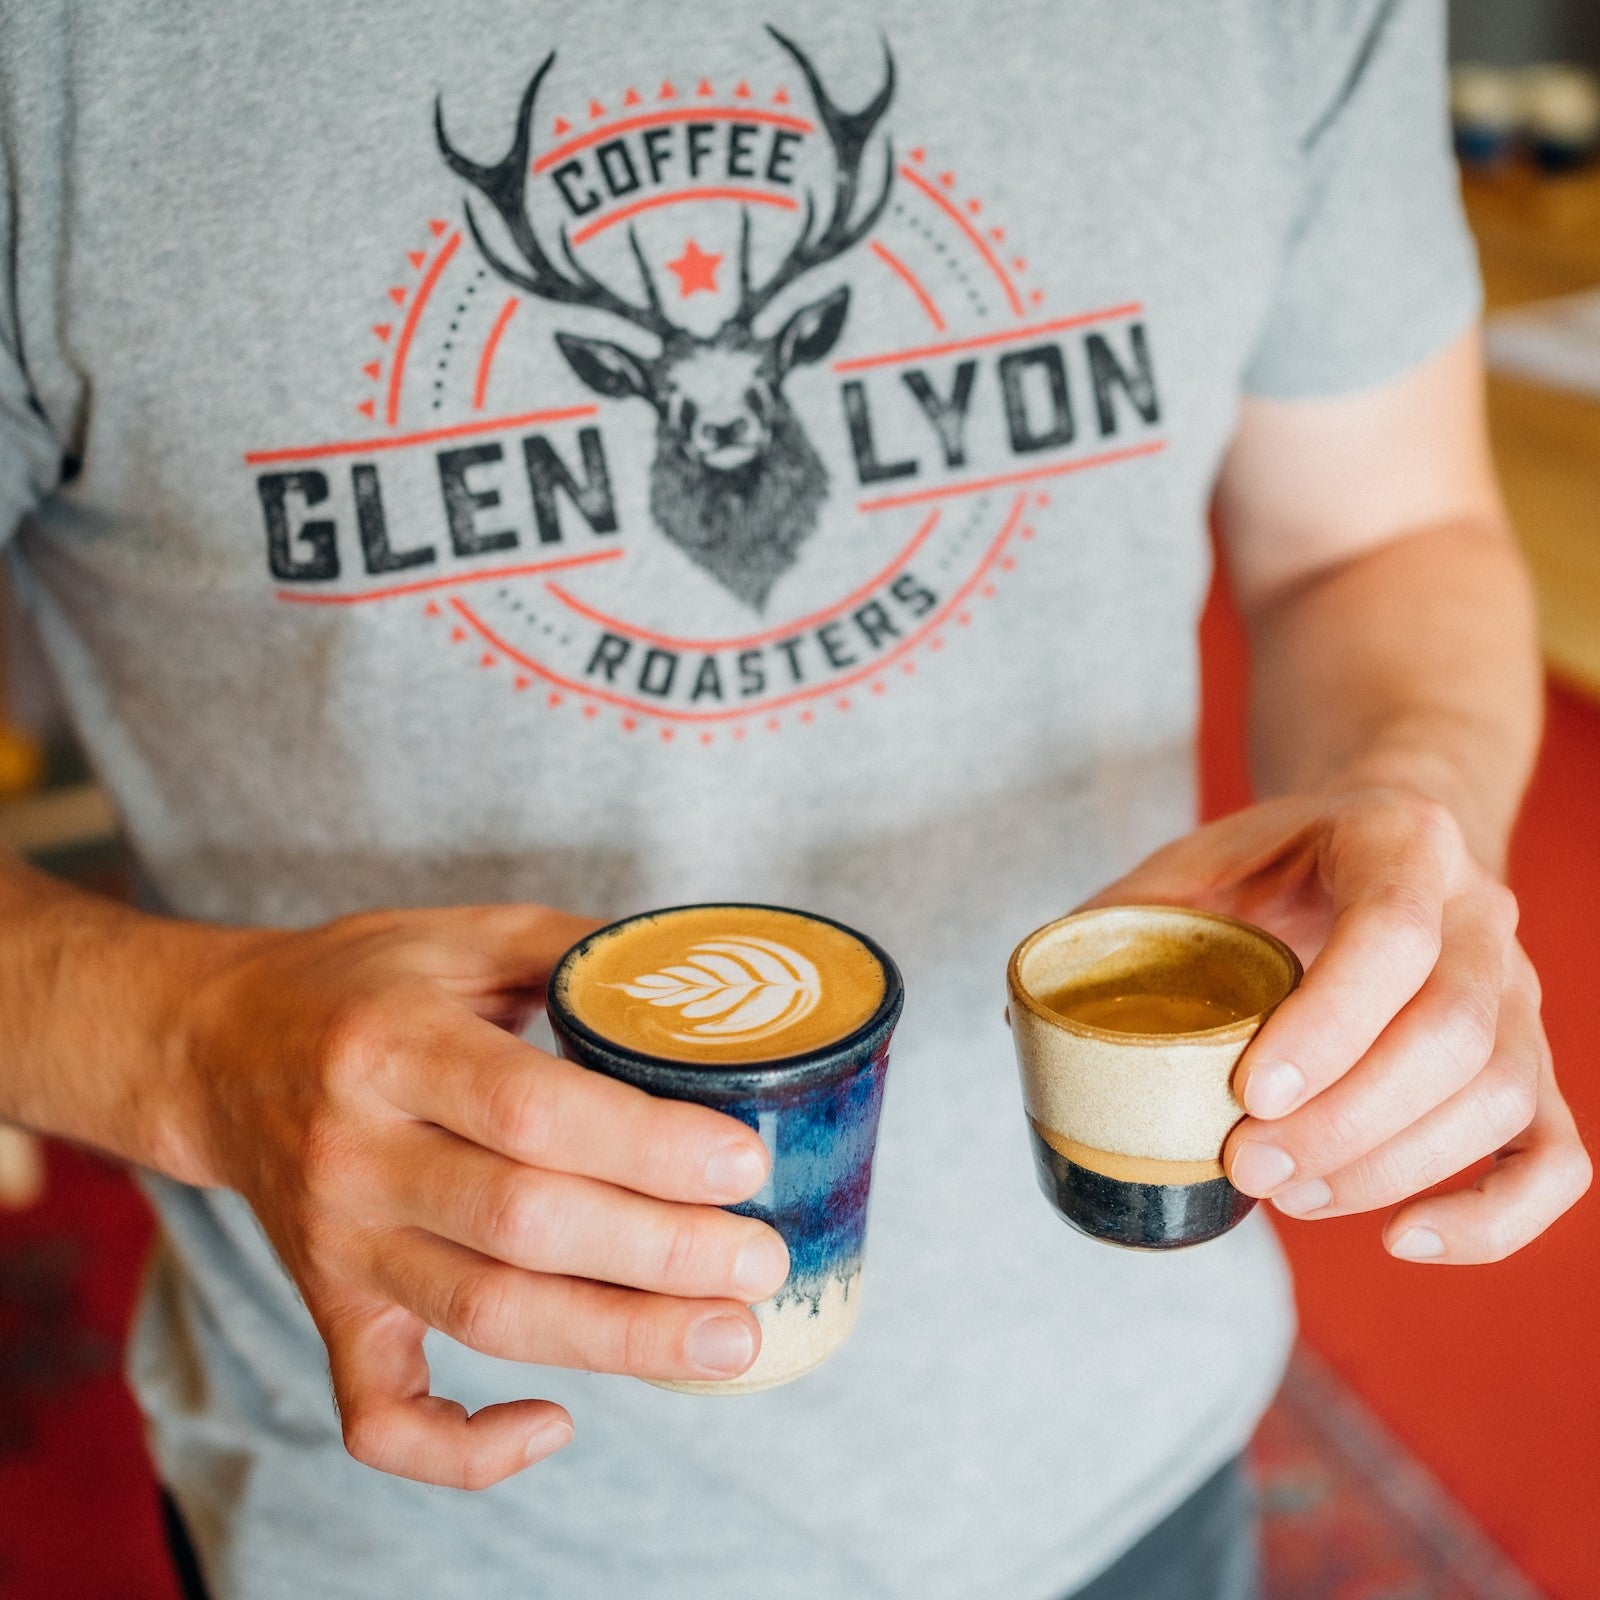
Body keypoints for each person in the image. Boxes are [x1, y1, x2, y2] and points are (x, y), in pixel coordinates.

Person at [0, 3, 1590, 1597]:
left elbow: (1377, 537)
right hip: (427, 1511)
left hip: (1122, 1442)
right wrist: (191, 1051)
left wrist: (1410, 800)